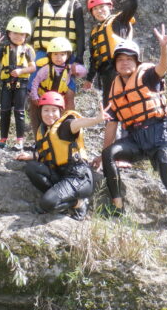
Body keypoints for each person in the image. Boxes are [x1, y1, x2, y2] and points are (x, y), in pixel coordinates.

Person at [101, 25, 167, 230]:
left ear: (136, 61)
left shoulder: (147, 76)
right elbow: (111, 125)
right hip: (135, 140)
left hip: (159, 138)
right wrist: (101, 154)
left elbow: (162, 67)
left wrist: (164, 48)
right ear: (115, 64)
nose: (124, 62)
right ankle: (117, 206)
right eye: (120, 59)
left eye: (129, 58)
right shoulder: (114, 89)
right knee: (109, 153)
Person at [17, 91, 111, 221]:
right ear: (40, 112)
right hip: (61, 175)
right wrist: (30, 156)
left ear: (60, 111)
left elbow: (78, 123)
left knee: (46, 204)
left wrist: (96, 119)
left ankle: (79, 203)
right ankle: (58, 197)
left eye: (54, 110)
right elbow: (48, 153)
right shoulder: (45, 131)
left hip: (78, 177)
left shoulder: (65, 125)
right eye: (46, 110)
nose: (50, 114)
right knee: (31, 168)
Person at [83, 0, 138, 107]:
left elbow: (133, 4)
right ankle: (112, 128)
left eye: (102, 7)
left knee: (123, 102)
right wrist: (90, 79)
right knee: (109, 106)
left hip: (120, 66)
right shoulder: (95, 32)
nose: (99, 11)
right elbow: (94, 58)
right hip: (105, 73)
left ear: (110, 7)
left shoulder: (119, 21)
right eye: (95, 9)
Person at [0, 16, 36, 151]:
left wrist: (21, 70)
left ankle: (20, 141)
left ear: (26, 35)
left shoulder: (28, 49)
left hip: (20, 84)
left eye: (21, 34)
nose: (17, 36)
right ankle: (3, 140)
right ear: (9, 33)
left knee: (19, 111)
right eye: (14, 33)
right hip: (6, 84)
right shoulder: (4, 48)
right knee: (4, 111)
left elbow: (33, 68)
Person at [29, 37, 87, 133]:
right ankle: (41, 138)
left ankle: (60, 135)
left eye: (62, 54)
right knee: (44, 120)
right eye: (55, 54)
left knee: (59, 120)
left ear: (68, 56)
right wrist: (35, 96)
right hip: (45, 100)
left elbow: (83, 72)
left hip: (59, 101)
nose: (59, 58)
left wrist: (76, 68)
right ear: (50, 55)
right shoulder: (46, 69)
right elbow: (35, 82)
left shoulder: (69, 69)